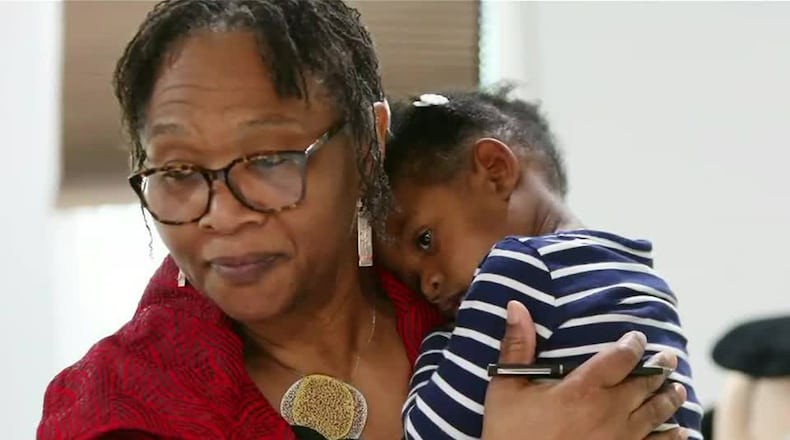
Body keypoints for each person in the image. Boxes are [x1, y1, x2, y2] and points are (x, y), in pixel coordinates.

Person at [37, 1, 687, 439]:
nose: (223, 214)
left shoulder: (466, 286)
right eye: (178, 173)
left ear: (370, 145)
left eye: (269, 159)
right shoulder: (118, 407)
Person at [378, 88, 702, 439]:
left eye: (425, 240)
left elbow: (432, 433)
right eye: (411, 279)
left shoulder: (515, 270)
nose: (428, 285)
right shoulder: (646, 279)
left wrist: (436, 342)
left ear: (495, 171)